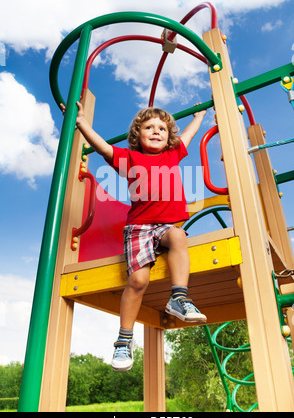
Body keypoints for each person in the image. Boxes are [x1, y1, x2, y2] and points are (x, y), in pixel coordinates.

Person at [61, 101, 207, 371]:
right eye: (149, 127)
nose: (156, 131)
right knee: (138, 280)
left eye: (162, 128)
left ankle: (179, 297)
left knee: (177, 236)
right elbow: (103, 147)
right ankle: (123, 340)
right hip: (139, 227)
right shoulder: (129, 159)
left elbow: (188, 135)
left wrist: (199, 117)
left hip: (166, 225)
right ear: (137, 135)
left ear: (168, 136)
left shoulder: (172, 154)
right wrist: (81, 124)